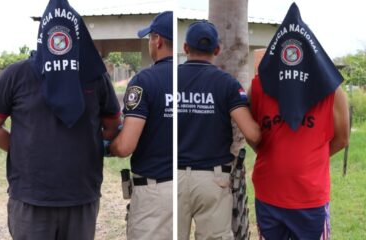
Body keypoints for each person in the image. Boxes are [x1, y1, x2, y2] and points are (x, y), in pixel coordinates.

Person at [0, 0, 121, 239]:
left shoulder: (95, 78)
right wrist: (24, 149)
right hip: (30, 198)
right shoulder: (18, 74)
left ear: (77, 35)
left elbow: (112, 126)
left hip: (81, 196)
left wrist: (85, 147)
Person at [250, 3, 350, 240]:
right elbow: (253, 134)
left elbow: (343, 138)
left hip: (310, 199)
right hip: (269, 195)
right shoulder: (259, 87)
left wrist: (310, 160)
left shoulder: (331, 91)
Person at [177, 20, 261, 240]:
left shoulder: (166, 80)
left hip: (171, 177)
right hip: (213, 180)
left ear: (185, 48)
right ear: (217, 50)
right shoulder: (227, 84)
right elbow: (252, 134)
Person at [109, 11, 173, 240]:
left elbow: (126, 146)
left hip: (155, 192)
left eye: (149, 38)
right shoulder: (192, 80)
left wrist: (108, 146)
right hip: (187, 187)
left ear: (158, 40)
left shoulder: (143, 81)